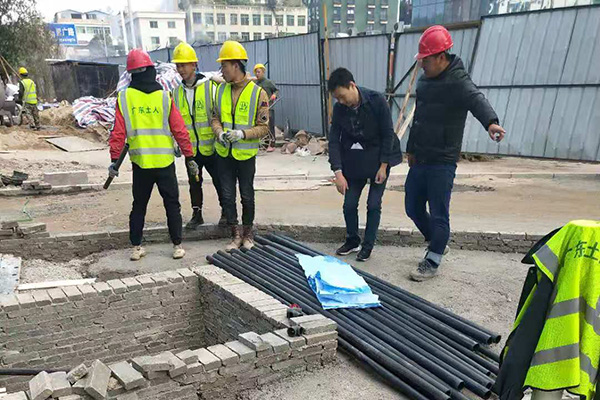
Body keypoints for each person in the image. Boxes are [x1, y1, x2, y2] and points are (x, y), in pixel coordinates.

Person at [405, 25, 506, 281]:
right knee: (412, 206)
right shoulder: (425, 81)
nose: (422, 64)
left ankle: (433, 258)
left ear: (441, 56)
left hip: (442, 160)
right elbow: (418, 119)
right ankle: (437, 240)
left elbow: (476, 99)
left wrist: (490, 122)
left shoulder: (458, 80)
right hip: (421, 157)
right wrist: (411, 149)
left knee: (439, 211)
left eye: (425, 59)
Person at [108, 49, 198, 261]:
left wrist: (114, 160)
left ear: (131, 74)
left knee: (139, 206)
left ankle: (136, 248)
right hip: (165, 163)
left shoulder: (125, 98)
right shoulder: (164, 97)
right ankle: (177, 246)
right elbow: (179, 129)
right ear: (150, 71)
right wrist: (189, 155)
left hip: (141, 164)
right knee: (172, 205)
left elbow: (118, 133)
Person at [328, 67, 402, 262]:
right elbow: (334, 140)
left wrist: (384, 165)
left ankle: (367, 246)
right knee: (349, 204)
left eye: (343, 97)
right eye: (337, 99)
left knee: (373, 204)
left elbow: (388, 134)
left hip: (380, 157)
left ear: (352, 85)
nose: (341, 102)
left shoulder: (377, 101)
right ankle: (353, 240)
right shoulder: (340, 109)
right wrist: (338, 172)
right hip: (355, 157)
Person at [211, 41, 270, 251]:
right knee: (227, 195)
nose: (222, 71)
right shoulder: (219, 91)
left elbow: (264, 128)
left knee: (246, 195)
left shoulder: (258, 93)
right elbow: (215, 118)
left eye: (224, 66)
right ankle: (234, 234)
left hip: (245, 155)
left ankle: (248, 234)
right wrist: (218, 132)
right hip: (224, 153)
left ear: (236, 65)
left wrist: (242, 134)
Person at [171, 42, 226, 229]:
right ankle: (197, 214)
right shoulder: (176, 92)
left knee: (220, 181)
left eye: (184, 65)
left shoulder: (211, 87)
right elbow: (176, 121)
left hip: (212, 147)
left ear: (194, 64)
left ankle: (226, 213)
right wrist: (176, 143)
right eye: (178, 65)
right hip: (191, 150)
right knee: (194, 182)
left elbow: (220, 114)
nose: (180, 69)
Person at [253, 63, 278, 152]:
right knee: (261, 125)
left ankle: (272, 144)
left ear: (263, 72)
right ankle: (263, 143)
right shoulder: (254, 84)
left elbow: (276, 90)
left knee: (270, 126)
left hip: (269, 107)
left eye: (259, 72)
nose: (257, 74)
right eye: (256, 72)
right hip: (259, 109)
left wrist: (274, 95)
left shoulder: (268, 82)